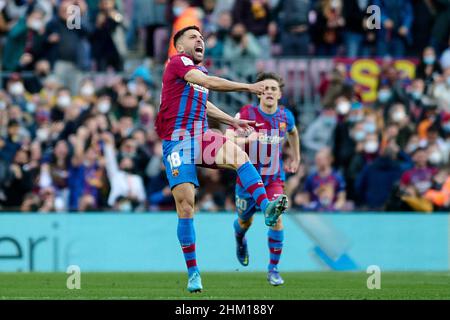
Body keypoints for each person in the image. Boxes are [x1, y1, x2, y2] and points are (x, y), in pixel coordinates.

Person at [154, 25, 288, 293]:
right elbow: (210, 83)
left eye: (202, 38)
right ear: (180, 46)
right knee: (186, 206)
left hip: (201, 134)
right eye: (193, 37)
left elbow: (203, 102)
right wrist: (249, 86)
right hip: (178, 141)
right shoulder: (178, 62)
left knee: (239, 155)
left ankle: (266, 208)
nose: (199, 40)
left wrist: (230, 122)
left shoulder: (197, 72)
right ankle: (193, 272)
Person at [225, 72, 300, 286]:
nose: (268, 92)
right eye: (264, 88)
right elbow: (228, 140)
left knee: (277, 218)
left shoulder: (286, 117)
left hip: (274, 179)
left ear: (280, 94)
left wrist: (296, 156)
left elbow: (293, 133)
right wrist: (247, 138)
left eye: (273, 89)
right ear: (258, 93)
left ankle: (273, 269)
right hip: (247, 181)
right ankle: (240, 238)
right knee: (244, 222)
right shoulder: (247, 113)